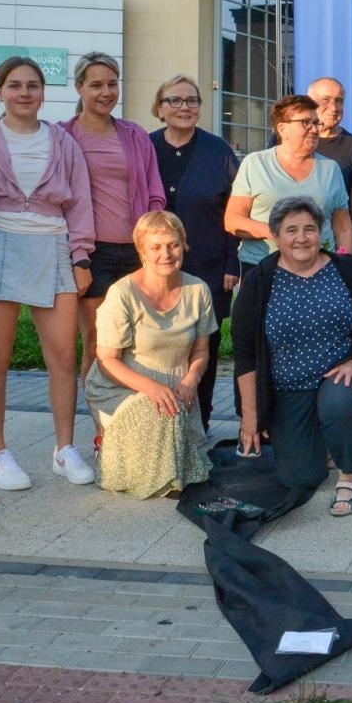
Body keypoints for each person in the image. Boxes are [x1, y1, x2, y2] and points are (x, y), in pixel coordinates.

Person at [0, 56, 96, 491]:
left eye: (32, 85)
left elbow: (80, 202)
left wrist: (81, 256)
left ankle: (64, 449)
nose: (24, 92)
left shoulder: (63, 142)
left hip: (52, 246)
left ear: (43, 92)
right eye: (14, 85)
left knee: (63, 356)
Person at [232, 198, 352, 517]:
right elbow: (245, 353)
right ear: (276, 236)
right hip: (287, 389)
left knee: (339, 403)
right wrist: (250, 417)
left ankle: (348, 477)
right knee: (301, 478)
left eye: (309, 229)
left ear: (321, 233)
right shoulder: (259, 280)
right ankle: (321, 438)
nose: (301, 238)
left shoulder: (345, 270)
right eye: (291, 230)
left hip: (338, 373)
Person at [62, 51, 165, 445]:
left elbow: (154, 193)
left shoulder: (135, 135)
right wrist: (78, 256)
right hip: (93, 253)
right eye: (96, 85)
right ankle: (103, 430)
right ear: (79, 88)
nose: (106, 92)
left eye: (111, 83)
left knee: (141, 343)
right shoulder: (65, 135)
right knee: (98, 343)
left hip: (136, 253)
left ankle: (136, 421)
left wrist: (151, 242)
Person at [84, 211, 215, 499]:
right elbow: (107, 360)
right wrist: (151, 388)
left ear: (184, 245)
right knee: (160, 416)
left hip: (177, 384)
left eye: (173, 245)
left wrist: (191, 379)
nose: (166, 254)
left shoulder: (198, 290)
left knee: (189, 459)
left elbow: (201, 350)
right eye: (155, 247)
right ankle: (112, 453)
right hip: (123, 384)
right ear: (142, 251)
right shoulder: (122, 293)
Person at [150, 74, 240, 432]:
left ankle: (200, 424)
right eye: (174, 100)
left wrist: (232, 262)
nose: (184, 107)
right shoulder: (145, 147)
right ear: (160, 108)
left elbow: (235, 210)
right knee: (159, 345)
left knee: (205, 346)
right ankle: (162, 424)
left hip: (209, 265)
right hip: (155, 269)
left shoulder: (219, 151)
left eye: (192, 100)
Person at [226, 95, 352, 275]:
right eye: (306, 122)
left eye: (316, 123)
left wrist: (347, 268)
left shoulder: (330, 169)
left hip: (319, 270)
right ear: (282, 129)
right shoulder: (255, 164)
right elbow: (233, 220)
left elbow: (343, 227)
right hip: (262, 268)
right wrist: (277, 232)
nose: (314, 129)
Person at [270, 77, 352, 270]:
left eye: (339, 101)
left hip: (328, 253)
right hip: (279, 253)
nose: (334, 107)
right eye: (326, 100)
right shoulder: (284, 139)